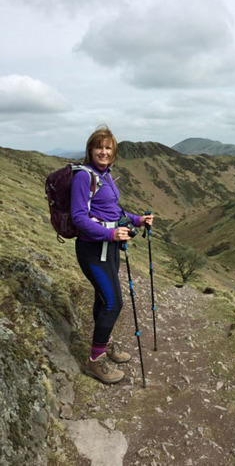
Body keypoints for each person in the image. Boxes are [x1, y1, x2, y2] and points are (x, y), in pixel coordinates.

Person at [71, 125, 153, 384]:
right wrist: (110, 234)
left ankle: (103, 345)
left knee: (103, 299)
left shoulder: (104, 175)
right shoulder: (84, 176)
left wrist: (138, 219)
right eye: (99, 147)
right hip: (94, 251)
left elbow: (112, 211)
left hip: (110, 250)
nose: (104, 152)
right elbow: (78, 218)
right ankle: (95, 361)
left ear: (113, 152)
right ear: (90, 150)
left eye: (108, 148)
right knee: (113, 302)